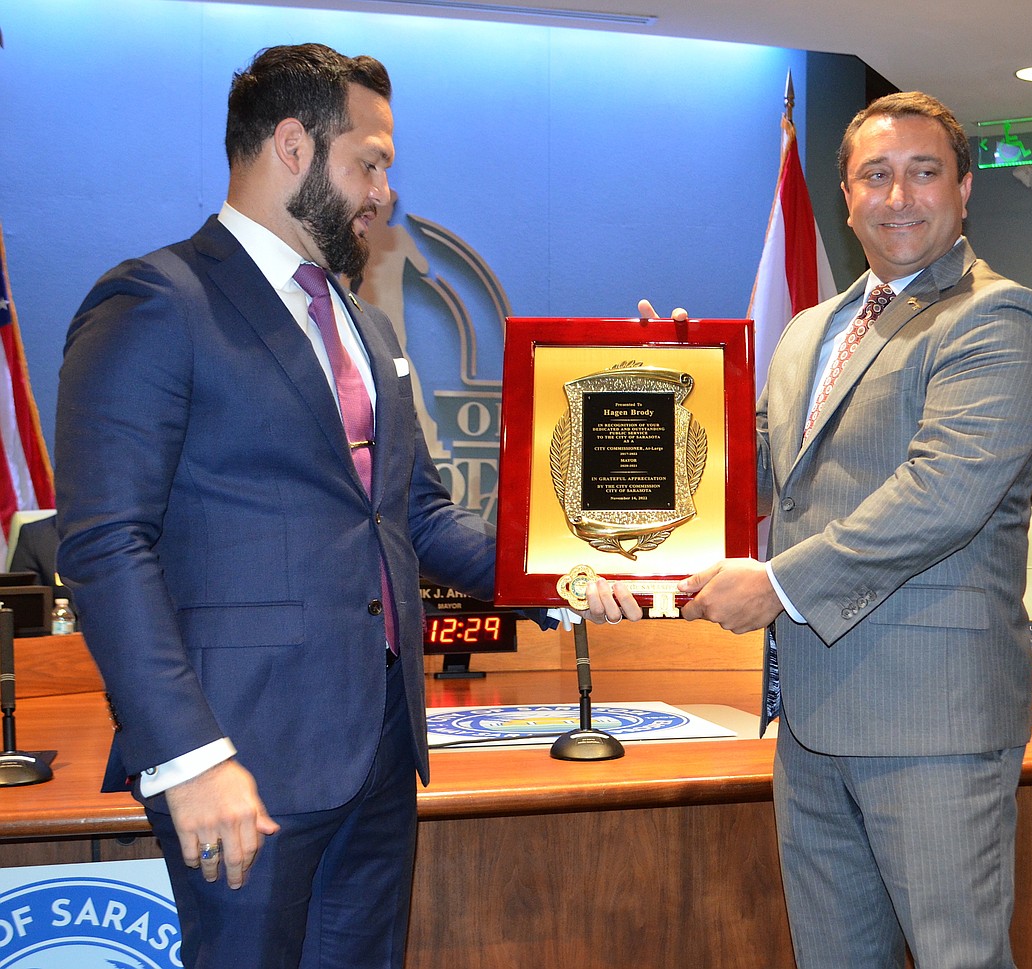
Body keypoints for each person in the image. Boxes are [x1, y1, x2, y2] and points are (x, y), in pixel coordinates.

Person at [55, 43, 634, 969]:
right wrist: (189, 755)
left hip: (377, 752)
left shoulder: (363, 322)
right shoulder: (156, 302)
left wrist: (568, 568)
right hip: (240, 759)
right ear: (292, 145)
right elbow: (104, 545)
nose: (384, 191)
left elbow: (417, 518)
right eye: (369, 161)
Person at [645, 91, 1032, 967]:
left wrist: (778, 582)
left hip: (934, 723)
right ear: (845, 197)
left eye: (923, 173)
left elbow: (941, 493)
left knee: (960, 959)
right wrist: (663, 394)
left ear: (963, 190)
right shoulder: (808, 331)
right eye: (877, 175)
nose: (899, 196)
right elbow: (750, 476)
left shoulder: (999, 317)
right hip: (811, 720)